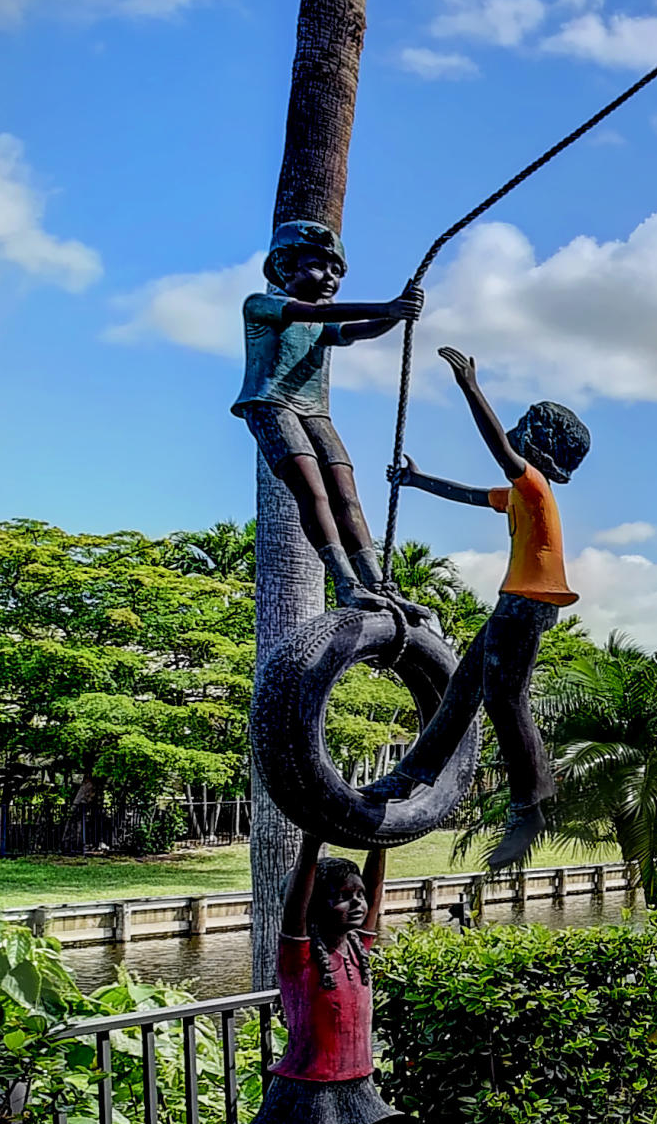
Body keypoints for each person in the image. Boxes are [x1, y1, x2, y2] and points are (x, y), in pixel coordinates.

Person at [381, 347, 585, 867]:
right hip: (514, 603)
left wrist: (471, 387)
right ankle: (412, 774)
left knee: (504, 700)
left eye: (523, 425)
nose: (514, 431)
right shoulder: (520, 493)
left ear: (538, 443)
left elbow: (497, 449)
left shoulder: (533, 485)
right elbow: (472, 495)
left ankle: (533, 806)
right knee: (464, 691)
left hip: (527, 603)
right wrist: (416, 480)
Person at [233, 220, 430, 621]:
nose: (329, 279)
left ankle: (378, 584)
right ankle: (345, 582)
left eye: (337, 272)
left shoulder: (319, 324)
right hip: (271, 405)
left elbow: (358, 330)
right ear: (286, 267)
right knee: (313, 492)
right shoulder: (263, 304)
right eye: (316, 267)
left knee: (345, 494)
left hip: (313, 411)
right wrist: (388, 306)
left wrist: (397, 314)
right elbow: (314, 311)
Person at [244, 836, 394, 1124]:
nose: (355, 904)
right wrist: (311, 840)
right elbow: (296, 904)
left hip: (355, 1087)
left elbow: (375, 886)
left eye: (357, 897)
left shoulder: (357, 948)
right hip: (303, 1092)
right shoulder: (300, 955)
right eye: (340, 897)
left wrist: (382, 837)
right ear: (314, 905)